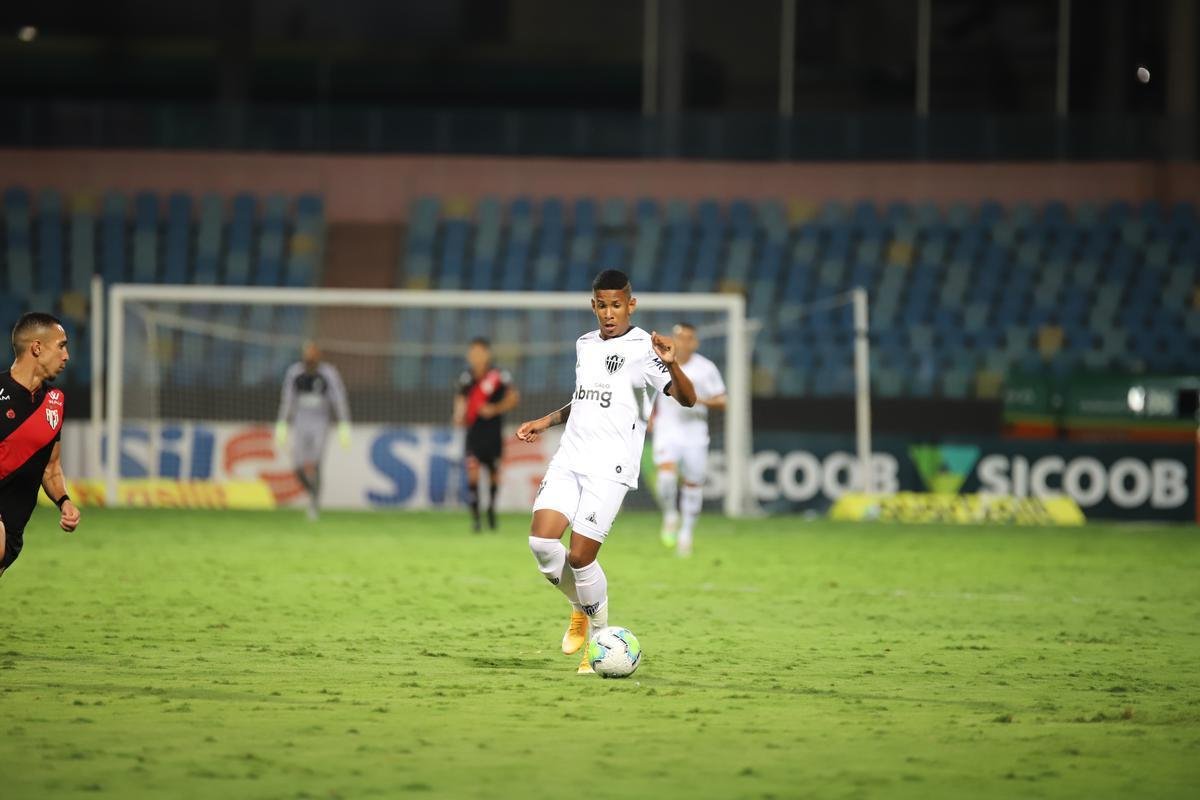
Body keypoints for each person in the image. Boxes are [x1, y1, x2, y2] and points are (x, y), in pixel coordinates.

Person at [516, 269, 697, 674]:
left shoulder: (646, 348)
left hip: (611, 467)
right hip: (570, 458)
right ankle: (579, 608)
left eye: (617, 305)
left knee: (580, 558)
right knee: (542, 544)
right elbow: (584, 400)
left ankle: (598, 639)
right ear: (593, 305)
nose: (609, 313)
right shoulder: (584, 344)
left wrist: (673, 364)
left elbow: (688, 398)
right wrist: (544, 422)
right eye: (602, 305)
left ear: (630, 305)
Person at [1, 312, 81, 579]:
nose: (66, 355)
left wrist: (64, 501)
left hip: (12, 531)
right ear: (37, 347)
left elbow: (51, 467)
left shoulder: (55, 403)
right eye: (61, 345)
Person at [651, 322, 727, 557]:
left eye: (688, 338)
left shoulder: (706, 368)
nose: (684, 342)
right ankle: (670, 514)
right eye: (679, 337)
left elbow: (723, 400)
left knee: (693, 484)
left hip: (694, 434)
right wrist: (648, 417)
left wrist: (697, 399)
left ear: (695, 342)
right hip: (667, 430)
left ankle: (686, 533)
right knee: (665, 474)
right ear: (673, 340)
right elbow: (648, 392)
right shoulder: (658, 363)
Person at [275, 342, 351, 521]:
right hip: (301, 422)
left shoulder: (328, 374)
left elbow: (339, 399)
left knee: (316, 463)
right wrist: (282, 424)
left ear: (318, 359)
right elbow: (287, 400)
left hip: (320, 423)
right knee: (298, 465)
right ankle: (312, 492)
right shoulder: (295, 373)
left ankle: (314, 505)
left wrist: (343, 425)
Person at [453, 338, 520, 532]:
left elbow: (514, 398)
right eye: (472, 352)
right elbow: (460, 399)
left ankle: (491, 508)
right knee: (472, 476)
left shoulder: (499, 376)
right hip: (473, 435)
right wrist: (458, 414)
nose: (475, 356)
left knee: (493, 475)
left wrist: (494, 408)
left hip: (493, 434)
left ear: (487, 354)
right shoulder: (466, 377)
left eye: (479, 352)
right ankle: (475, 519)